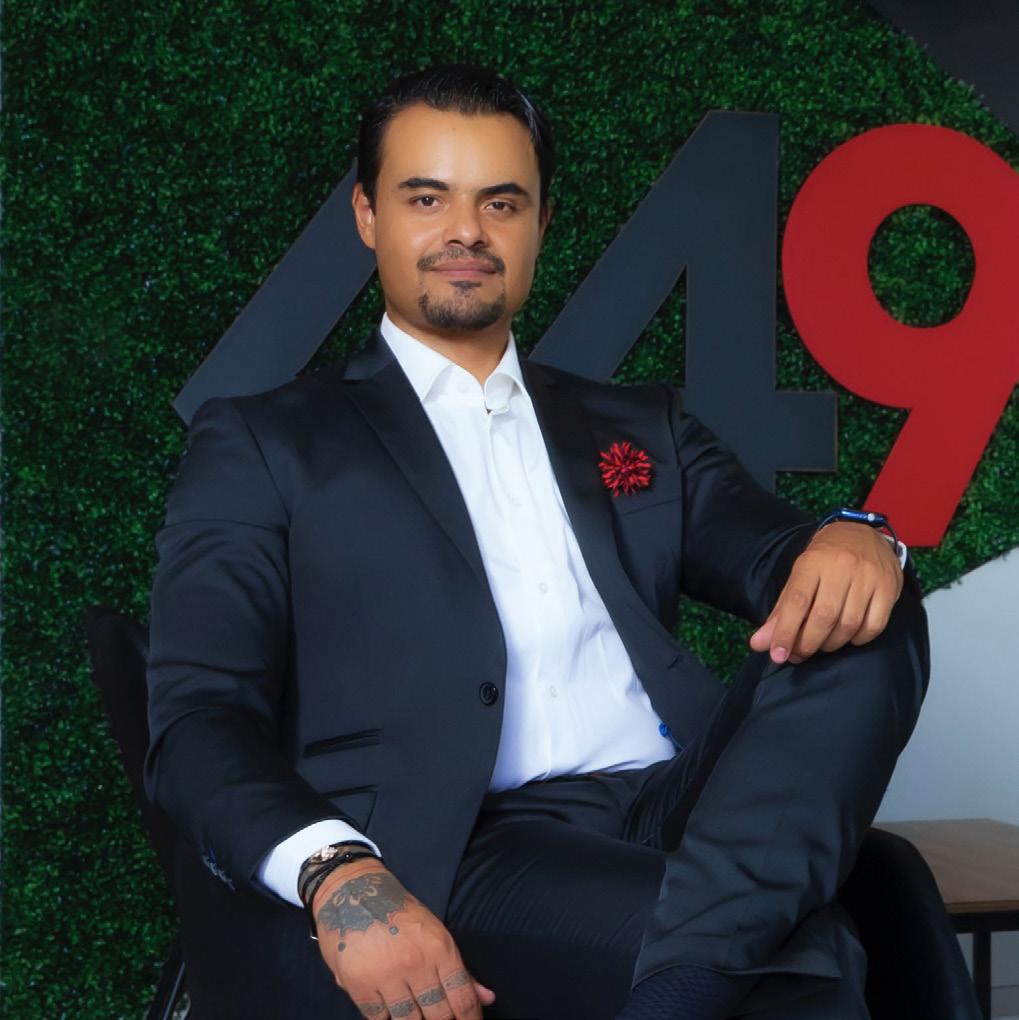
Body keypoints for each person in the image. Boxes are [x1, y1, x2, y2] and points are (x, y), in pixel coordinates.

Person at [144, 63, 927, 1020]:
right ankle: (716, 952)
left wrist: (859, 535)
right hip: (466, 840)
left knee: (870, 597)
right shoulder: (265, 441)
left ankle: (703, 951)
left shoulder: (637, 425)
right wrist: (337, 871)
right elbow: (197, 718)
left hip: (685, 803)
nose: (466, 231)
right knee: (813, 951)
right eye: (426, 198)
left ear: (540, 224)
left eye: (500, 202)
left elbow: (781, 557)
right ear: (367, 216)